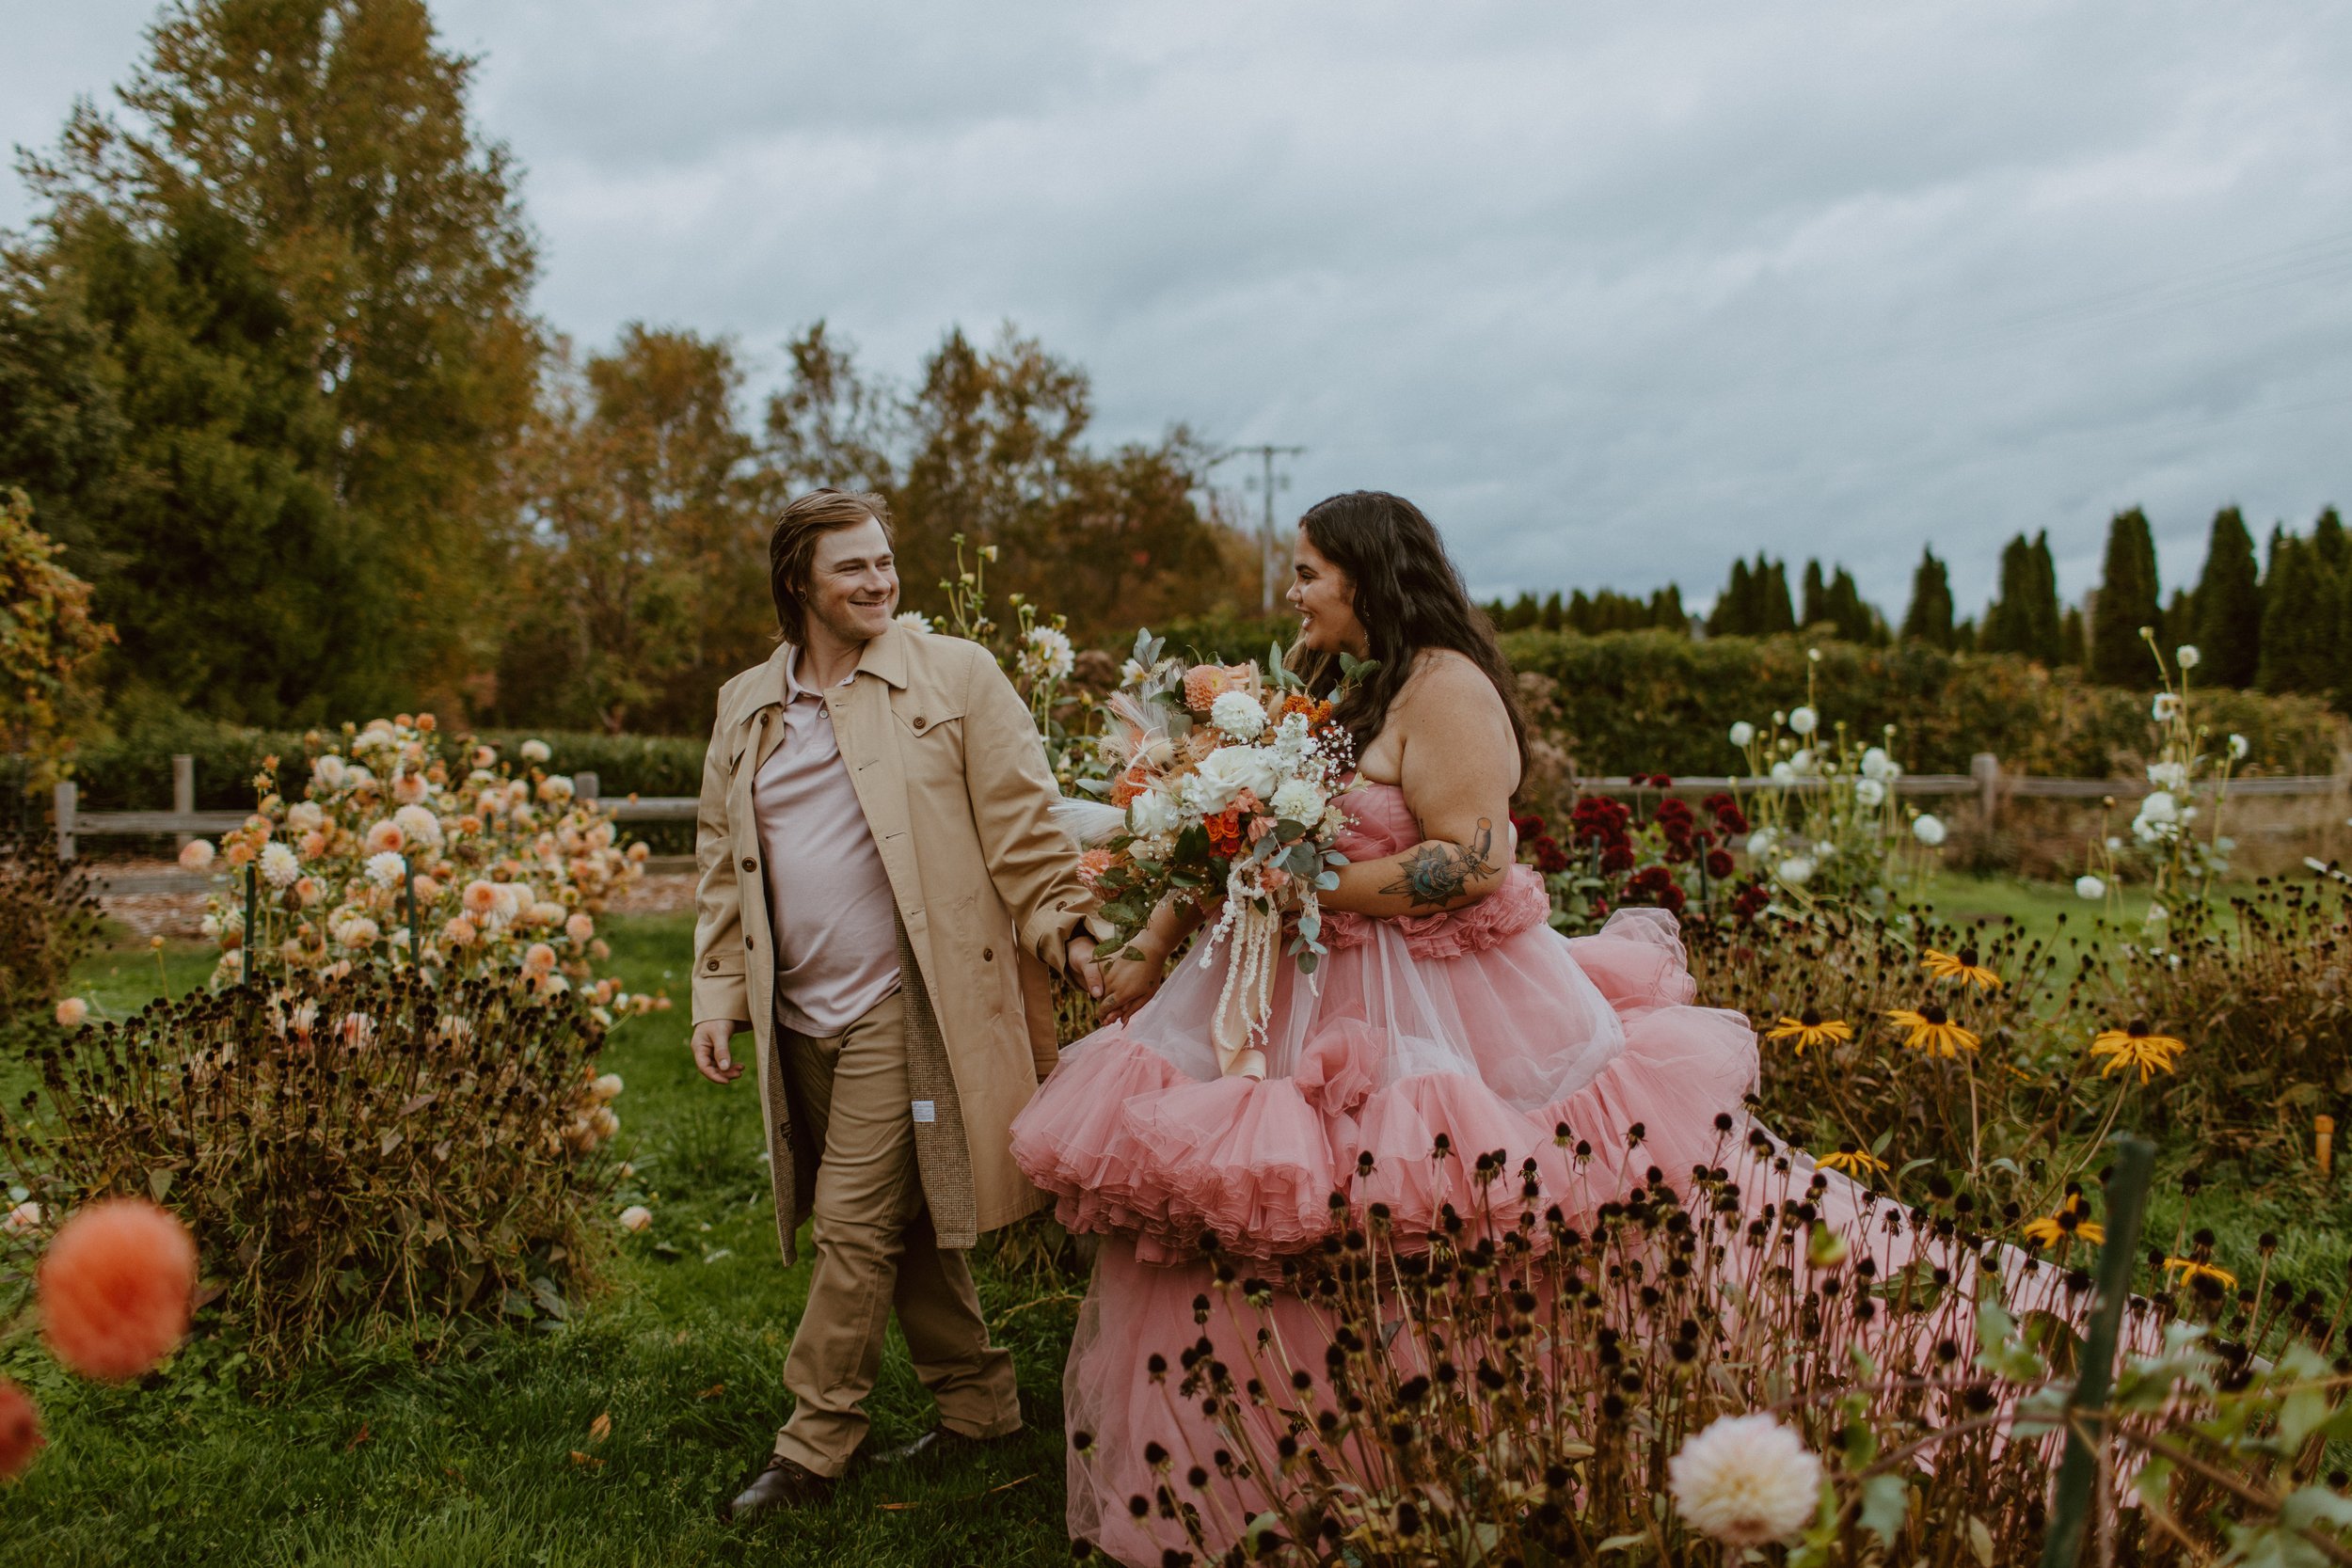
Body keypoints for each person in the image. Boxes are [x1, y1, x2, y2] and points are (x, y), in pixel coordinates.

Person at [1009, 490, 1765, 1563]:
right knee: (1258, 1210)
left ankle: (1443, 1452)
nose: (1293, 589)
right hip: (1291, 988)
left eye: (1309, 569)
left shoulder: (1448, 690)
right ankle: (1254, 1464)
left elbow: (1470, 859)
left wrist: (1308, 889)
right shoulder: (1336, 685)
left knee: (1425, 1205)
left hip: (1426, 1004)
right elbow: (1239, 833)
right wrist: (1156, 938)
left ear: (1367, 574)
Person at [689, 488, 1104, 1522]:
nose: (879, 581)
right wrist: (715, 989)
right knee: (906, 1219)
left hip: (904, 999)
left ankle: (813, 1442)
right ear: (799, 585)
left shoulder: (953, 675)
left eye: (884, 562)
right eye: (852, 568)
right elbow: (719, 859)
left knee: (853, 1224)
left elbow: (1023, 821)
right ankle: (979, 1404)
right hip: (800, 1007)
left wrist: (1067, 924)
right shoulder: (747, 702)